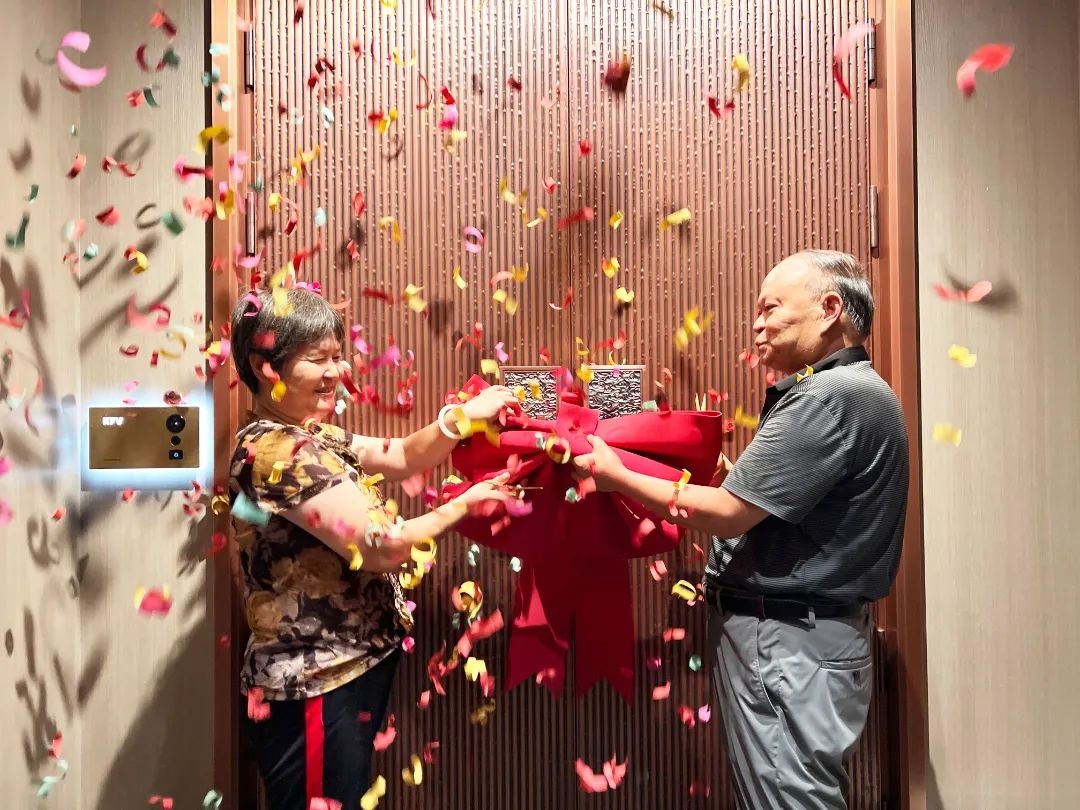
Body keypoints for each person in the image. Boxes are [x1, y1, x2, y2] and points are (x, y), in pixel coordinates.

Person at [573, 250, 909, 809]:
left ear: (830, 309)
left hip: (788, 641)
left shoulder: (826, 397)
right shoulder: (861, 389)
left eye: (770, 308)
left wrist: (617, 475)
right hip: (812, 640)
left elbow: (729, 513)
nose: (756, 324)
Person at [228, 286, 518, 810]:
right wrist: (465, 505)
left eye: (337, 357)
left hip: (347, 670)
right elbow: (381, 548)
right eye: (317, 359)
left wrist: (463, 416)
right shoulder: (273, 451)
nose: (335, 373)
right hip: (312, 684)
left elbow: (401, 454)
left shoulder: (310, 434)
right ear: (264, 366)